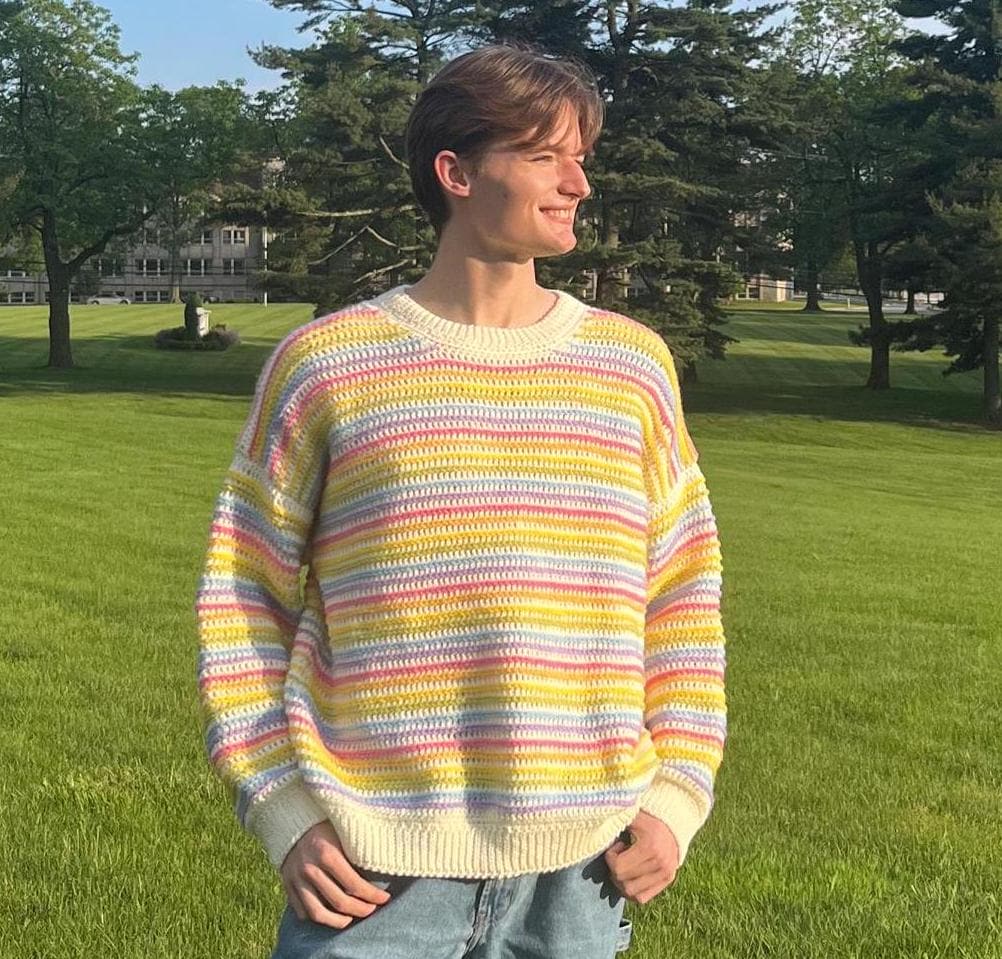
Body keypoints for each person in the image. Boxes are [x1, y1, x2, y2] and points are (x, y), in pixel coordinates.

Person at [196, 40, 727, 959]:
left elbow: (681, 591)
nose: (578, 184)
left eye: (581, 158)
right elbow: (243, 596)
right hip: (371, 874)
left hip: (584, 874)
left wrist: (677, 791)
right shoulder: (327, 366)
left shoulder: (631, 368)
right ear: (457, 173)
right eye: (546, 156)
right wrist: (282, 806)